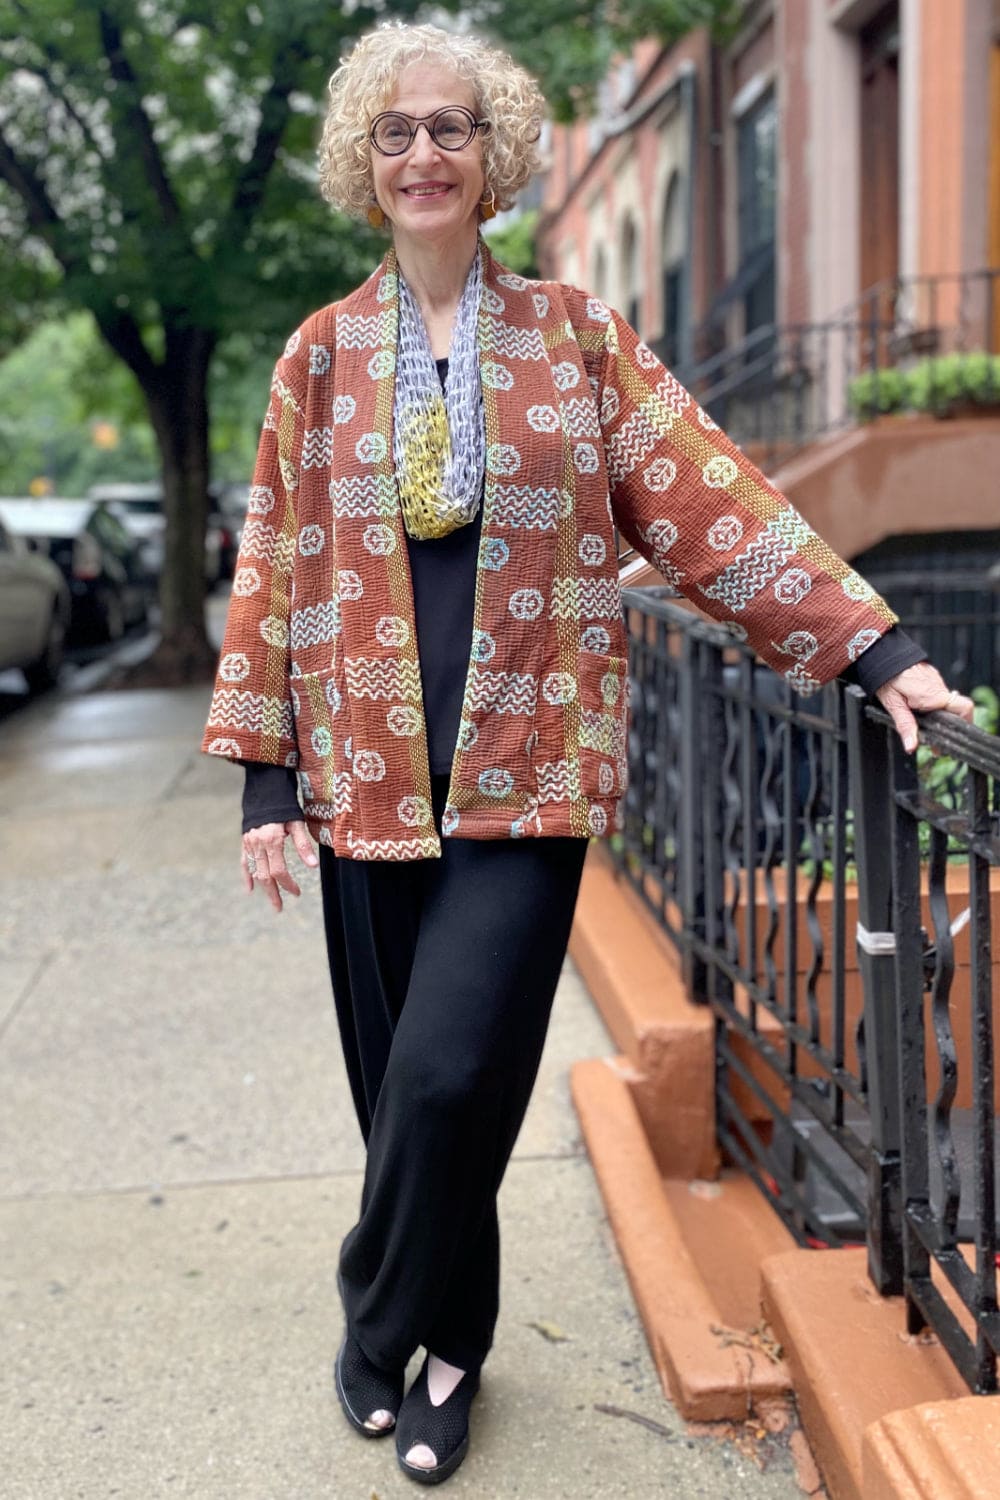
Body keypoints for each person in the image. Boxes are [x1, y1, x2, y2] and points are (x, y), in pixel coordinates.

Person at [201, 21, 974, 1485]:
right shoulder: (321, 356)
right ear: (367, 166)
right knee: (411, 1098)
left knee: (442, 1084)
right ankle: (444, 1342)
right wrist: (265, 774)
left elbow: (708, 497)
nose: (423, 155)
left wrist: (873, 647)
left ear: (492, 152)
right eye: (395, 133)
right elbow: (276, 565)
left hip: (528, 767)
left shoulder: (576, 339)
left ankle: (392, 1315)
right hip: (366, 778)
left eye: (449, 128)